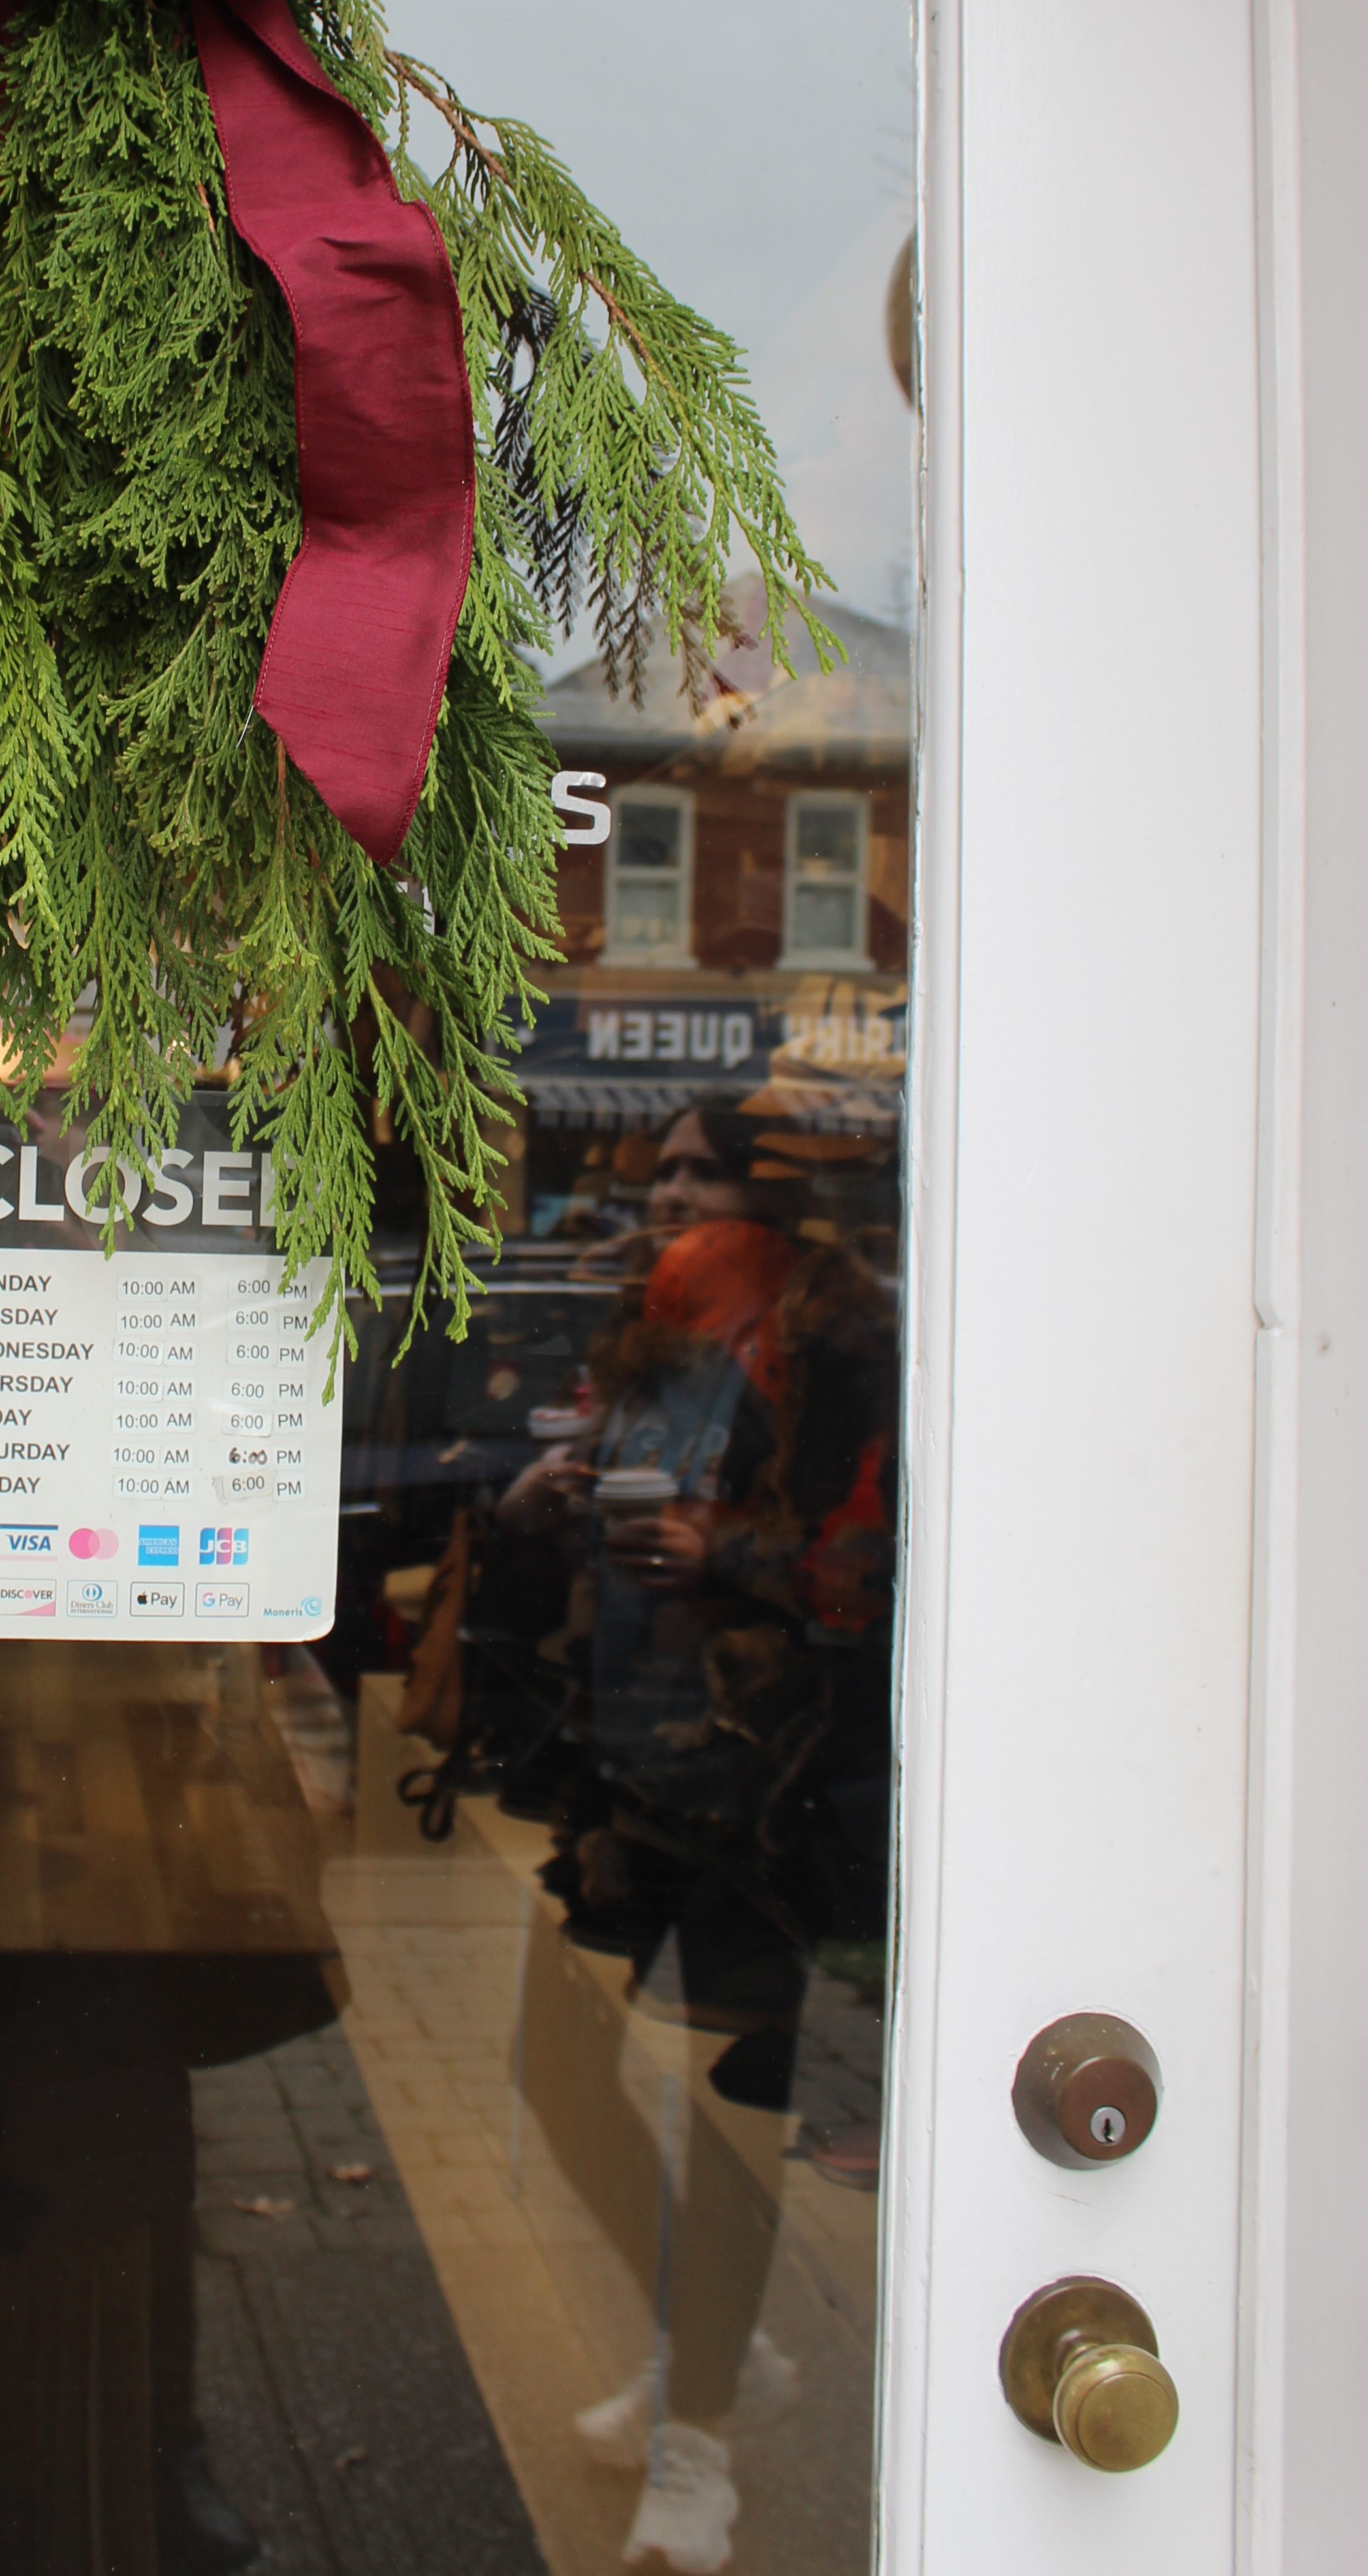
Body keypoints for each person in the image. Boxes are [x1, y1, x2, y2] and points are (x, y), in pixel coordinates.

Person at [504, 1098, 897, 2576]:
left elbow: (875, 1565)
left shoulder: (842, 1345)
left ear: (771, 1200)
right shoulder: (655, 1327)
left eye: (702, 1175)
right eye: (660, 1170)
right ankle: (712, 2350)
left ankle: (701, 2443)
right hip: (630, 1759)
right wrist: (556, 1496)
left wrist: (717, 1548)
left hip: (766, 1781)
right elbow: (617, 1492)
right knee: (554, 2070)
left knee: (734, 2118)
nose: (667, 1193)